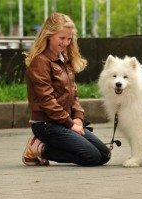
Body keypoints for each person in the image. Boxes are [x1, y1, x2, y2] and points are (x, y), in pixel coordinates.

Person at [22, 12, 110, 166]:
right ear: (49, 35)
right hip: (46, 125)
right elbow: (46, 100)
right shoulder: (40, 62)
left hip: (65, 121)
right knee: (92, 157)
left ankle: (58, 141)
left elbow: (73, 96)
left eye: (69, 39)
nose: (65, 43)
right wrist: (70, 124)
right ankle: (39, 147)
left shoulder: (64, 61)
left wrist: (78, 118)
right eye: (61, 38)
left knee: (104, 155)